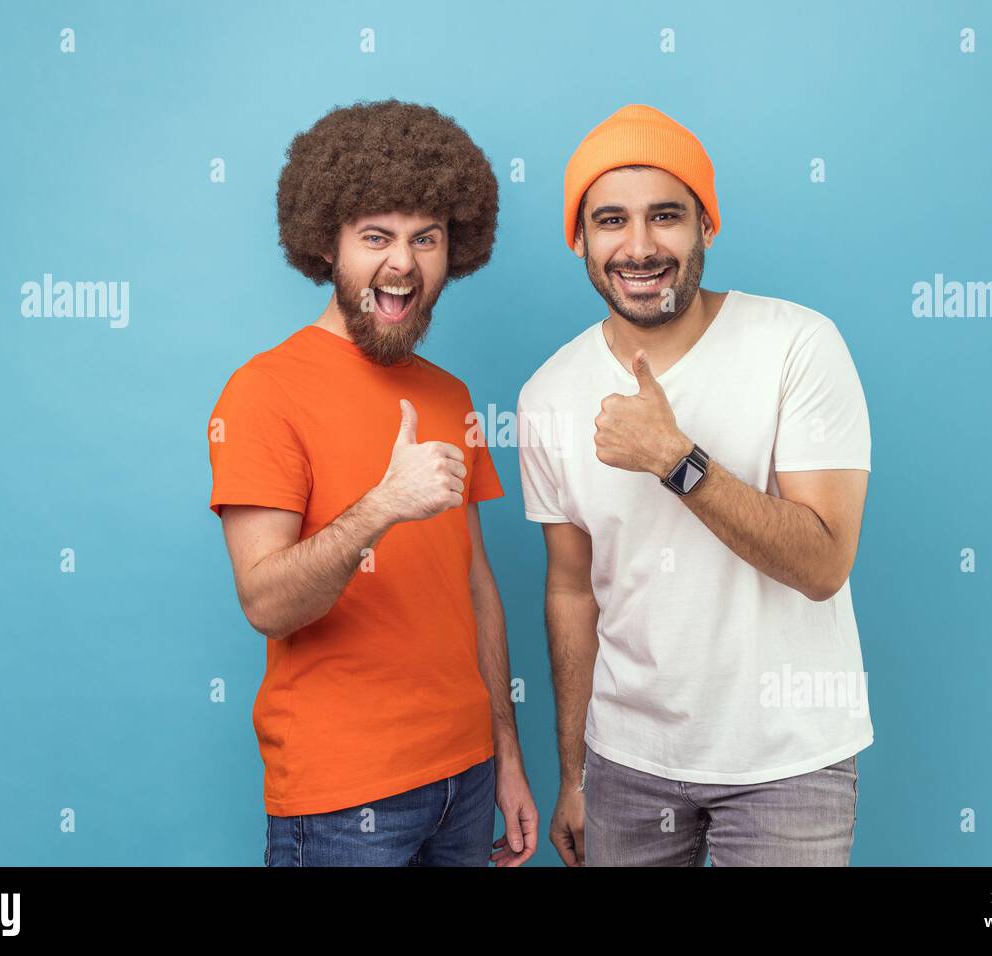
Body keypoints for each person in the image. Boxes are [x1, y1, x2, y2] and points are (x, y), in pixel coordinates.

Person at [518, 104, 873, 867]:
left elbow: (822, 564)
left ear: (706, 227)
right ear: (579, 238)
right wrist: (573, 774)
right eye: (611, 220)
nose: (639, 247)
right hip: (626, 763)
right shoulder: (547, 394)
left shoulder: (798, 345)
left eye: (667, 217)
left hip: (790, 761)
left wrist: (678, 460)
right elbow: (572, 592)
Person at [207, 99, 536, 867]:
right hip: (343, 797)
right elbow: (266, 601)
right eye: (377, 237)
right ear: (329, 245)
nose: (403, 264)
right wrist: (382, 507)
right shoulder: (263, 391)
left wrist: (507, 760)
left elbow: (476, 584)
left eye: (426, 238)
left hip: (466, 776)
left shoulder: (450, 395)